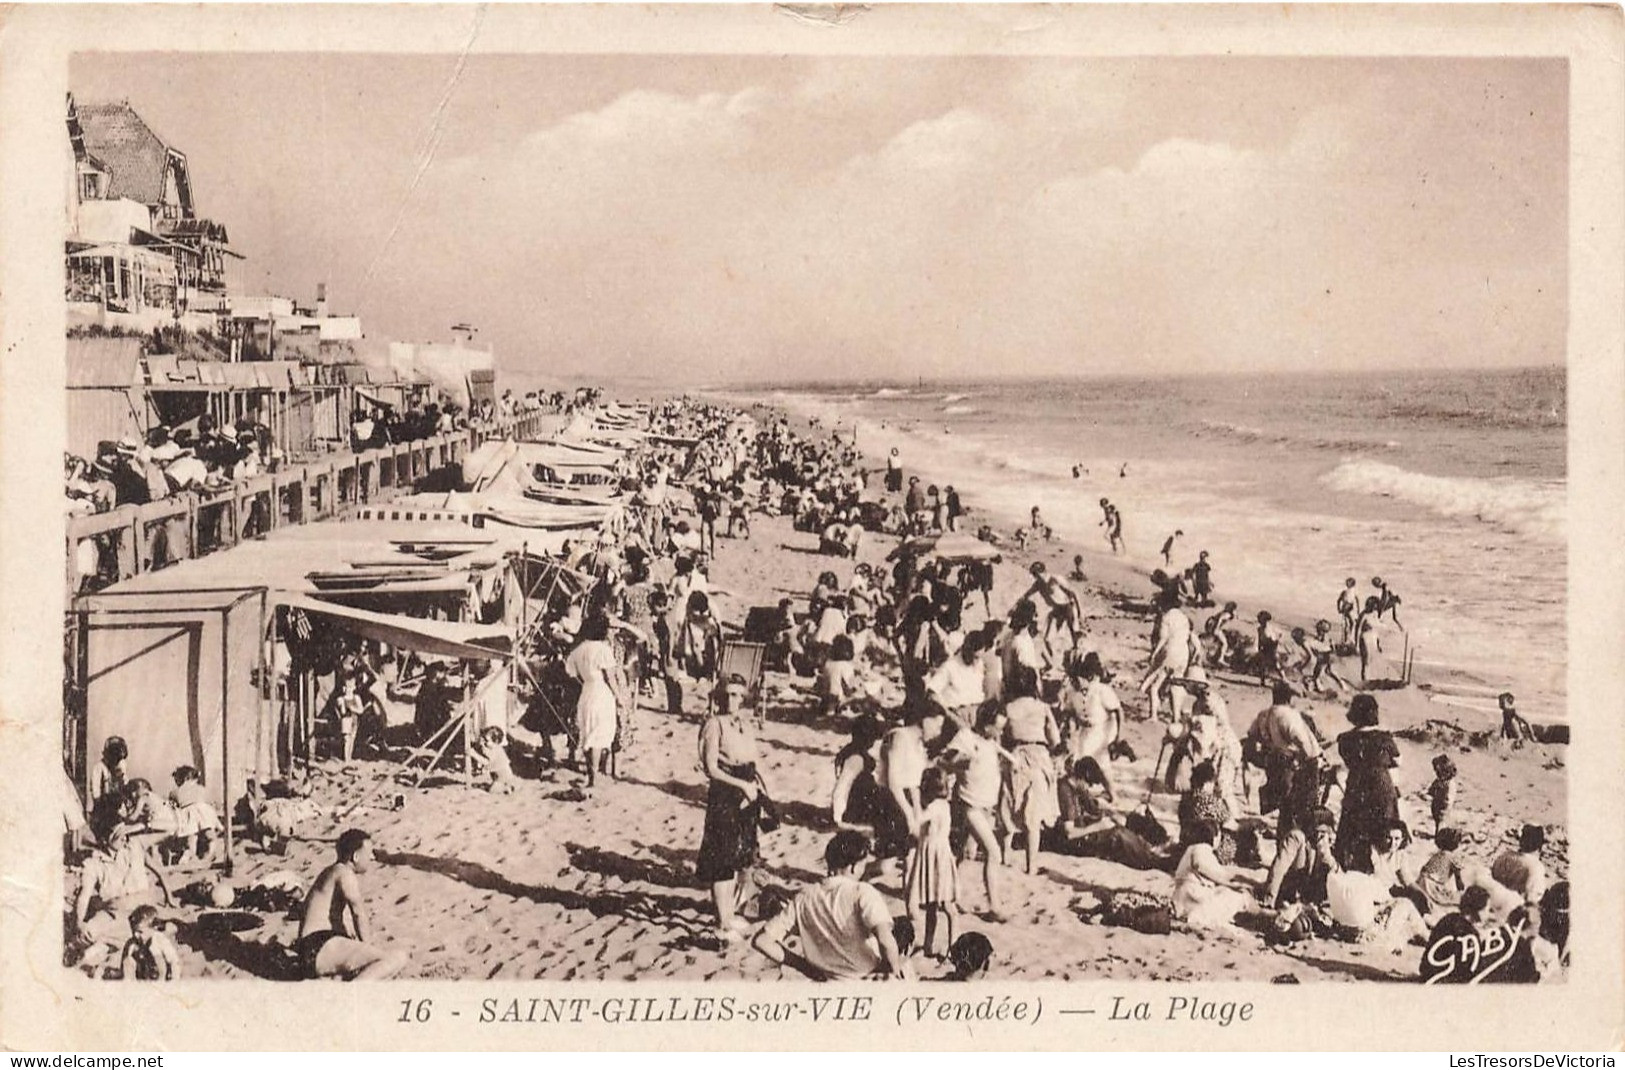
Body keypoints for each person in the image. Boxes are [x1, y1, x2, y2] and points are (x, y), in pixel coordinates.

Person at [753, 831, 911, 981]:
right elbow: (885, 940)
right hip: (865, 978)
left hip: (827, 981)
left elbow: (761, 941)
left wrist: (803, 967)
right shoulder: (862, 891)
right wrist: (894, 970)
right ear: (854, 867)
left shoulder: (803, 898)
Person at [696, 675, 766, 941]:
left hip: (746, 792)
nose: (732, 699)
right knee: (721, 859)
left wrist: (754, 788)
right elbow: (710, 768)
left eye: (737, 694)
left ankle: (728, 915)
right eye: (727, 694)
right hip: (725, 794)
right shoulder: (714, 725)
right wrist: (741, 785)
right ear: (718, 696)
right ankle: (722, 921)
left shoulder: (744, 724)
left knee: (739, 855)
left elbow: (752, 759)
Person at [297, 829, 409, 980]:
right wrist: (367, 947)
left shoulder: (332, 872)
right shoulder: (345, 873)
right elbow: (358, 913)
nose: (372, 857)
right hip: (318, 944)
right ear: (356, 856)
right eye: (369, 852)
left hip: (311, 947)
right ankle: (351, 996)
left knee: (366, 967)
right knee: (395, 958)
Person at [73, 823, 170, 975]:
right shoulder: (93, 863)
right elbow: (84, 896)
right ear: (105, 839)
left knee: (138, 935)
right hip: (113, 913)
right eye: (119, 836)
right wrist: (80, 922)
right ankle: (99, 954)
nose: (124, 838)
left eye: (125, 834)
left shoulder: (136, 846)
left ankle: (104, 953)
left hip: (141, 911)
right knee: (88, 933)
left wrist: (134, 827)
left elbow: (168, 828)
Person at [995, 665, 1061, 875]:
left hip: (1013, 757)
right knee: (1033, 814)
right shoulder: (1042, 708)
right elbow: (1055, 739)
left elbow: (997, 736)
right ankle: (1031, 865)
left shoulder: (1008, 708)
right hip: (1038, 757)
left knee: (1007, 806)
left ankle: (1005, 855)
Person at [1245, 681, 1324, 840]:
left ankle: (1284, 840)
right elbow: (1302, 741)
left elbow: (1251, 734)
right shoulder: (1288, 714)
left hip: (1274, 761)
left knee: (1284, 805)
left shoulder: (1264, 715)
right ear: (1289, 698)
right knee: (1300, 804)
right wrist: (1309, 760)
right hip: (1293, 763)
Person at [1334, 694, 1401, 873]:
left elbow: (1349, 762)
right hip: (1381, 786)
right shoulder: (1384, 737)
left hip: (1358, 786)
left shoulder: (1345, 739)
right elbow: (1398, 761)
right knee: (1382, 832)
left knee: (1352, 831)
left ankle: (1352, 868)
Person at [565, 615, 625, 791]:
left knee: (587, 732)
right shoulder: (603, 649)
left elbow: (571, 673)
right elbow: (611, 677)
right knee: (599, 734)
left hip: (586, 692)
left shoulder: (578, 650)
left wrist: (585, 681)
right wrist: (619, 696)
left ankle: (592, 776)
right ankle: (595, 777)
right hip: (601, 693)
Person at [905, 767, 960, 959]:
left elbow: (918, 819)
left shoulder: (936, 806)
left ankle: (953, 948)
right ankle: (928, 945)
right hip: (931, 854)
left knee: (946, 906)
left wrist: (913, 796)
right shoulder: (942, 803)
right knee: (931, 905)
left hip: (936, 856)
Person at [1171, 823, 1264, 930]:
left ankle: (1259, 914)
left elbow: (1220, 873)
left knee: (1231, 892)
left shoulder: (1193, 848)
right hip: (1193, 899)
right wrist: (1230, 884)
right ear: (1214, 836)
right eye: (1219, 835)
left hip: (1183, 898)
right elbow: (1200, 866)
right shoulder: (1202, 848)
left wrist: (1237, 882)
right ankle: (1262, 914)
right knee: (1239, 895)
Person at [1059, 651, 1122, 802]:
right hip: (1084, 731)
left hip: (1103, 728)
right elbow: (1069, 713)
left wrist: (1118, 735)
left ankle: (1113, 794)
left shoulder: (1101, 690)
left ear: (1089, 677)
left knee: (1101, 760)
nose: (1077, 682)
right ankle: (1084, 793)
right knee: (1079, 759)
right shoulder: (1073, 693)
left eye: (1080, 679)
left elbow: (1118, 711)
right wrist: (1066, 729)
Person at [1419, 885, 1495, 983]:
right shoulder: (1469, 933)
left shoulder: (1449, 918)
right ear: (1478, 908)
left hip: (1427, 974)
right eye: (1488, 909)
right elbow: (1470, 971)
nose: (1489, 915)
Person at [1490, 824, 1549, 916]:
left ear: (1521, 841)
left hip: (1494, 909)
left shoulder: (1504, 857)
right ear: (1540, 846)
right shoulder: (1536, 867)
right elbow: (1533, 899)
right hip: (1515, 916)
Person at [1414, 827, 1468, 917]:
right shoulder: (1452, 857)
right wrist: (1461, 891)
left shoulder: (1437, 854)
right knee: (1453, 901)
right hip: (1432, 885)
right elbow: (1458, 879)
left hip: (1421, 881)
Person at [119, 904, 180, 981]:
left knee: (158, 957)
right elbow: (124, 965)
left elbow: (174, 962)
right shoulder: (131, 943)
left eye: (140, 932)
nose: (136, 935)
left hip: (160, 978)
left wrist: (174, 982)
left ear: (153, 929)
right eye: (133, 931)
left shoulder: (160, 939)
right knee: (128, 961)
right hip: (141, 979)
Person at [1428, 755, 1459, 834]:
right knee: (1438, 820)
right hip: (1436, 805)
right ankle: (1437, 833)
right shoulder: (1439, 781)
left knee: (1442, 821)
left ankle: (1440, 835)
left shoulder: (1449, 784)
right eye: (1436, 772)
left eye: (1439, 772)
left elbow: (1448, 798)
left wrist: (1444, 802)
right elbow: (1432, 789)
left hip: (1443, 807)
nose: (1437, 774)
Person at [1336, 577, 1360, 648]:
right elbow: (1339, 600)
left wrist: (1358, 610)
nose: (1347, 583)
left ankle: (1349, 640)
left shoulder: (1353, 592)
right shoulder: (1344, 592)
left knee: (1351, 624)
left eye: (1349, 582)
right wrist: (1339, 608)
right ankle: (1346, 640)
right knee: (1346, 624)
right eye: (1347, 582)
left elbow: (1357, 601)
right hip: (1346, 608)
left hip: (1350, 608)